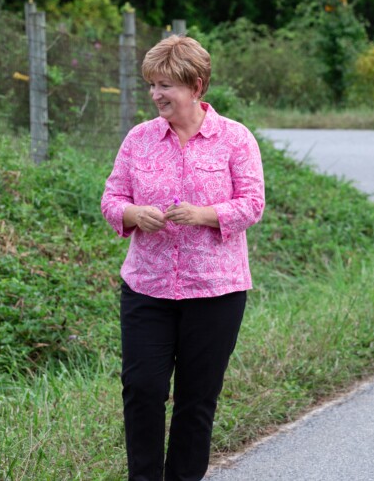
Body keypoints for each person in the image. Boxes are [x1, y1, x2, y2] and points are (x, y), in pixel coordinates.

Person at [101, 35, 265, 481]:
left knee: (196, 400)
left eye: (166, 85)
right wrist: (134, 214)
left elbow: (252, 203)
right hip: (146, 287)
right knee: (142, 389)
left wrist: (205, 214)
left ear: (197, 85)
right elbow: (112, 198)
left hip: (216, 291)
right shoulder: (139, 139)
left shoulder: (235, 139)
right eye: (152, 85)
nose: (156, 95)